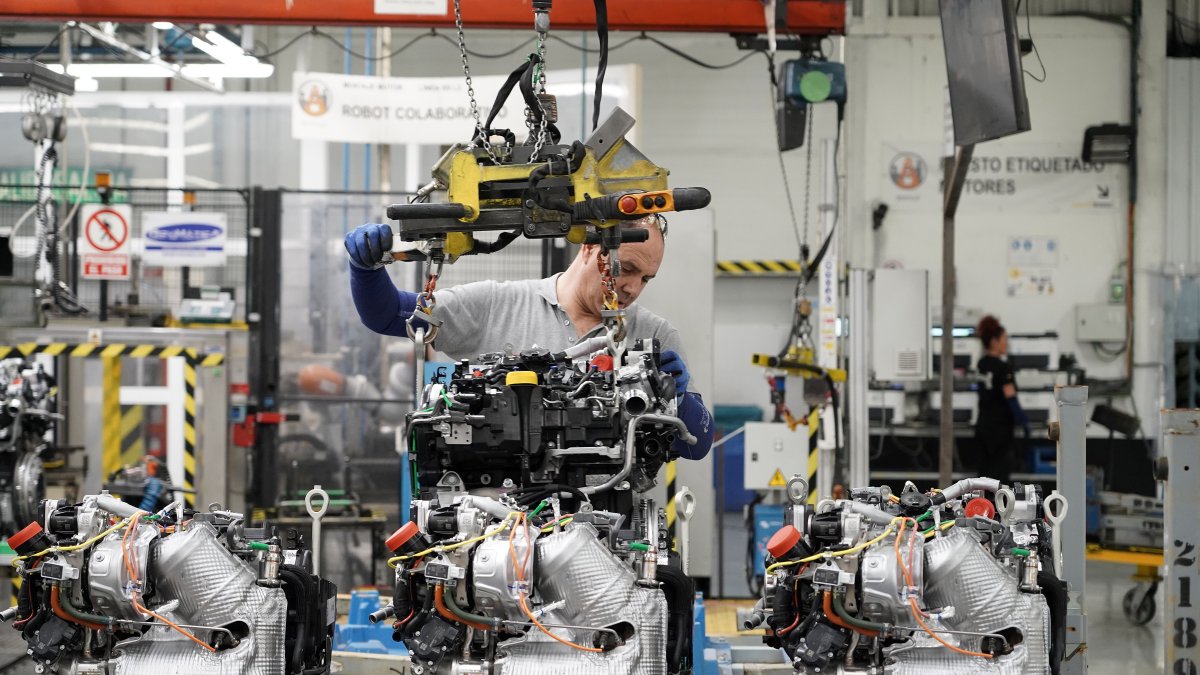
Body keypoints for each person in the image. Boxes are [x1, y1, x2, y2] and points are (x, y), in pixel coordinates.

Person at [344, 216, 714, 460]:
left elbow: (696, 444)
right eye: (627, 269)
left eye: (646, 278)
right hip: (498, 522)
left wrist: (679, 399)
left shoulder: (654, 336)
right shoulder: (497, 305)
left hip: (612, 528)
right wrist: (365, 268)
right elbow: (389, 314)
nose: (633, 288)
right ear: (589, 247)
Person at [974, 315, 1030, 483]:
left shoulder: (981, 365)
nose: (1007, 343)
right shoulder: (1003, 367)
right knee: (999, 475)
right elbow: (1010, 397)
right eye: (1004, 339)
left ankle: (981, 500)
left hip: (983, 426)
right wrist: (1023, 420)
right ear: (994, 342)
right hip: (1000, 430)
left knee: (983, 474)